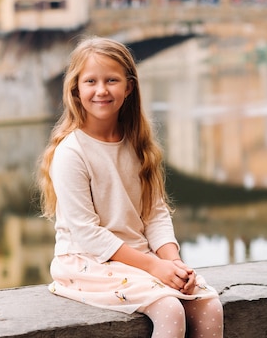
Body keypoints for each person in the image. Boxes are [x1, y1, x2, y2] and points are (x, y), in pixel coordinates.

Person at [37, 36, 223, 338]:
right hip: (85, 261)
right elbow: (87, 234)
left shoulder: (138, 146)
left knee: (209, 303)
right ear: (76, 89)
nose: (101, 90)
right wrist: (154, 266)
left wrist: (172, 262)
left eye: (111, 80)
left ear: (129, 87)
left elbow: (155, 214)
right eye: (91, 82)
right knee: (170, 309)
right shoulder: (72, 153)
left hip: (137, 257)